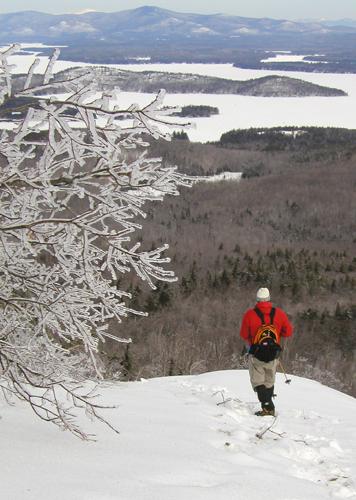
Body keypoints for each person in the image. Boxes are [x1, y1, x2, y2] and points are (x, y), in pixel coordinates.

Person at [239, 287, 293, 416]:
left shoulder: (250, 315)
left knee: (258, 382)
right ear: (269, 299)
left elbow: (243, 334)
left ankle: (268, 407)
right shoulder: (279, 314)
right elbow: (288, 332)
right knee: (269, 381)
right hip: (273, 354)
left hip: (256, 353)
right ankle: (268, 408)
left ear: (257, 300)